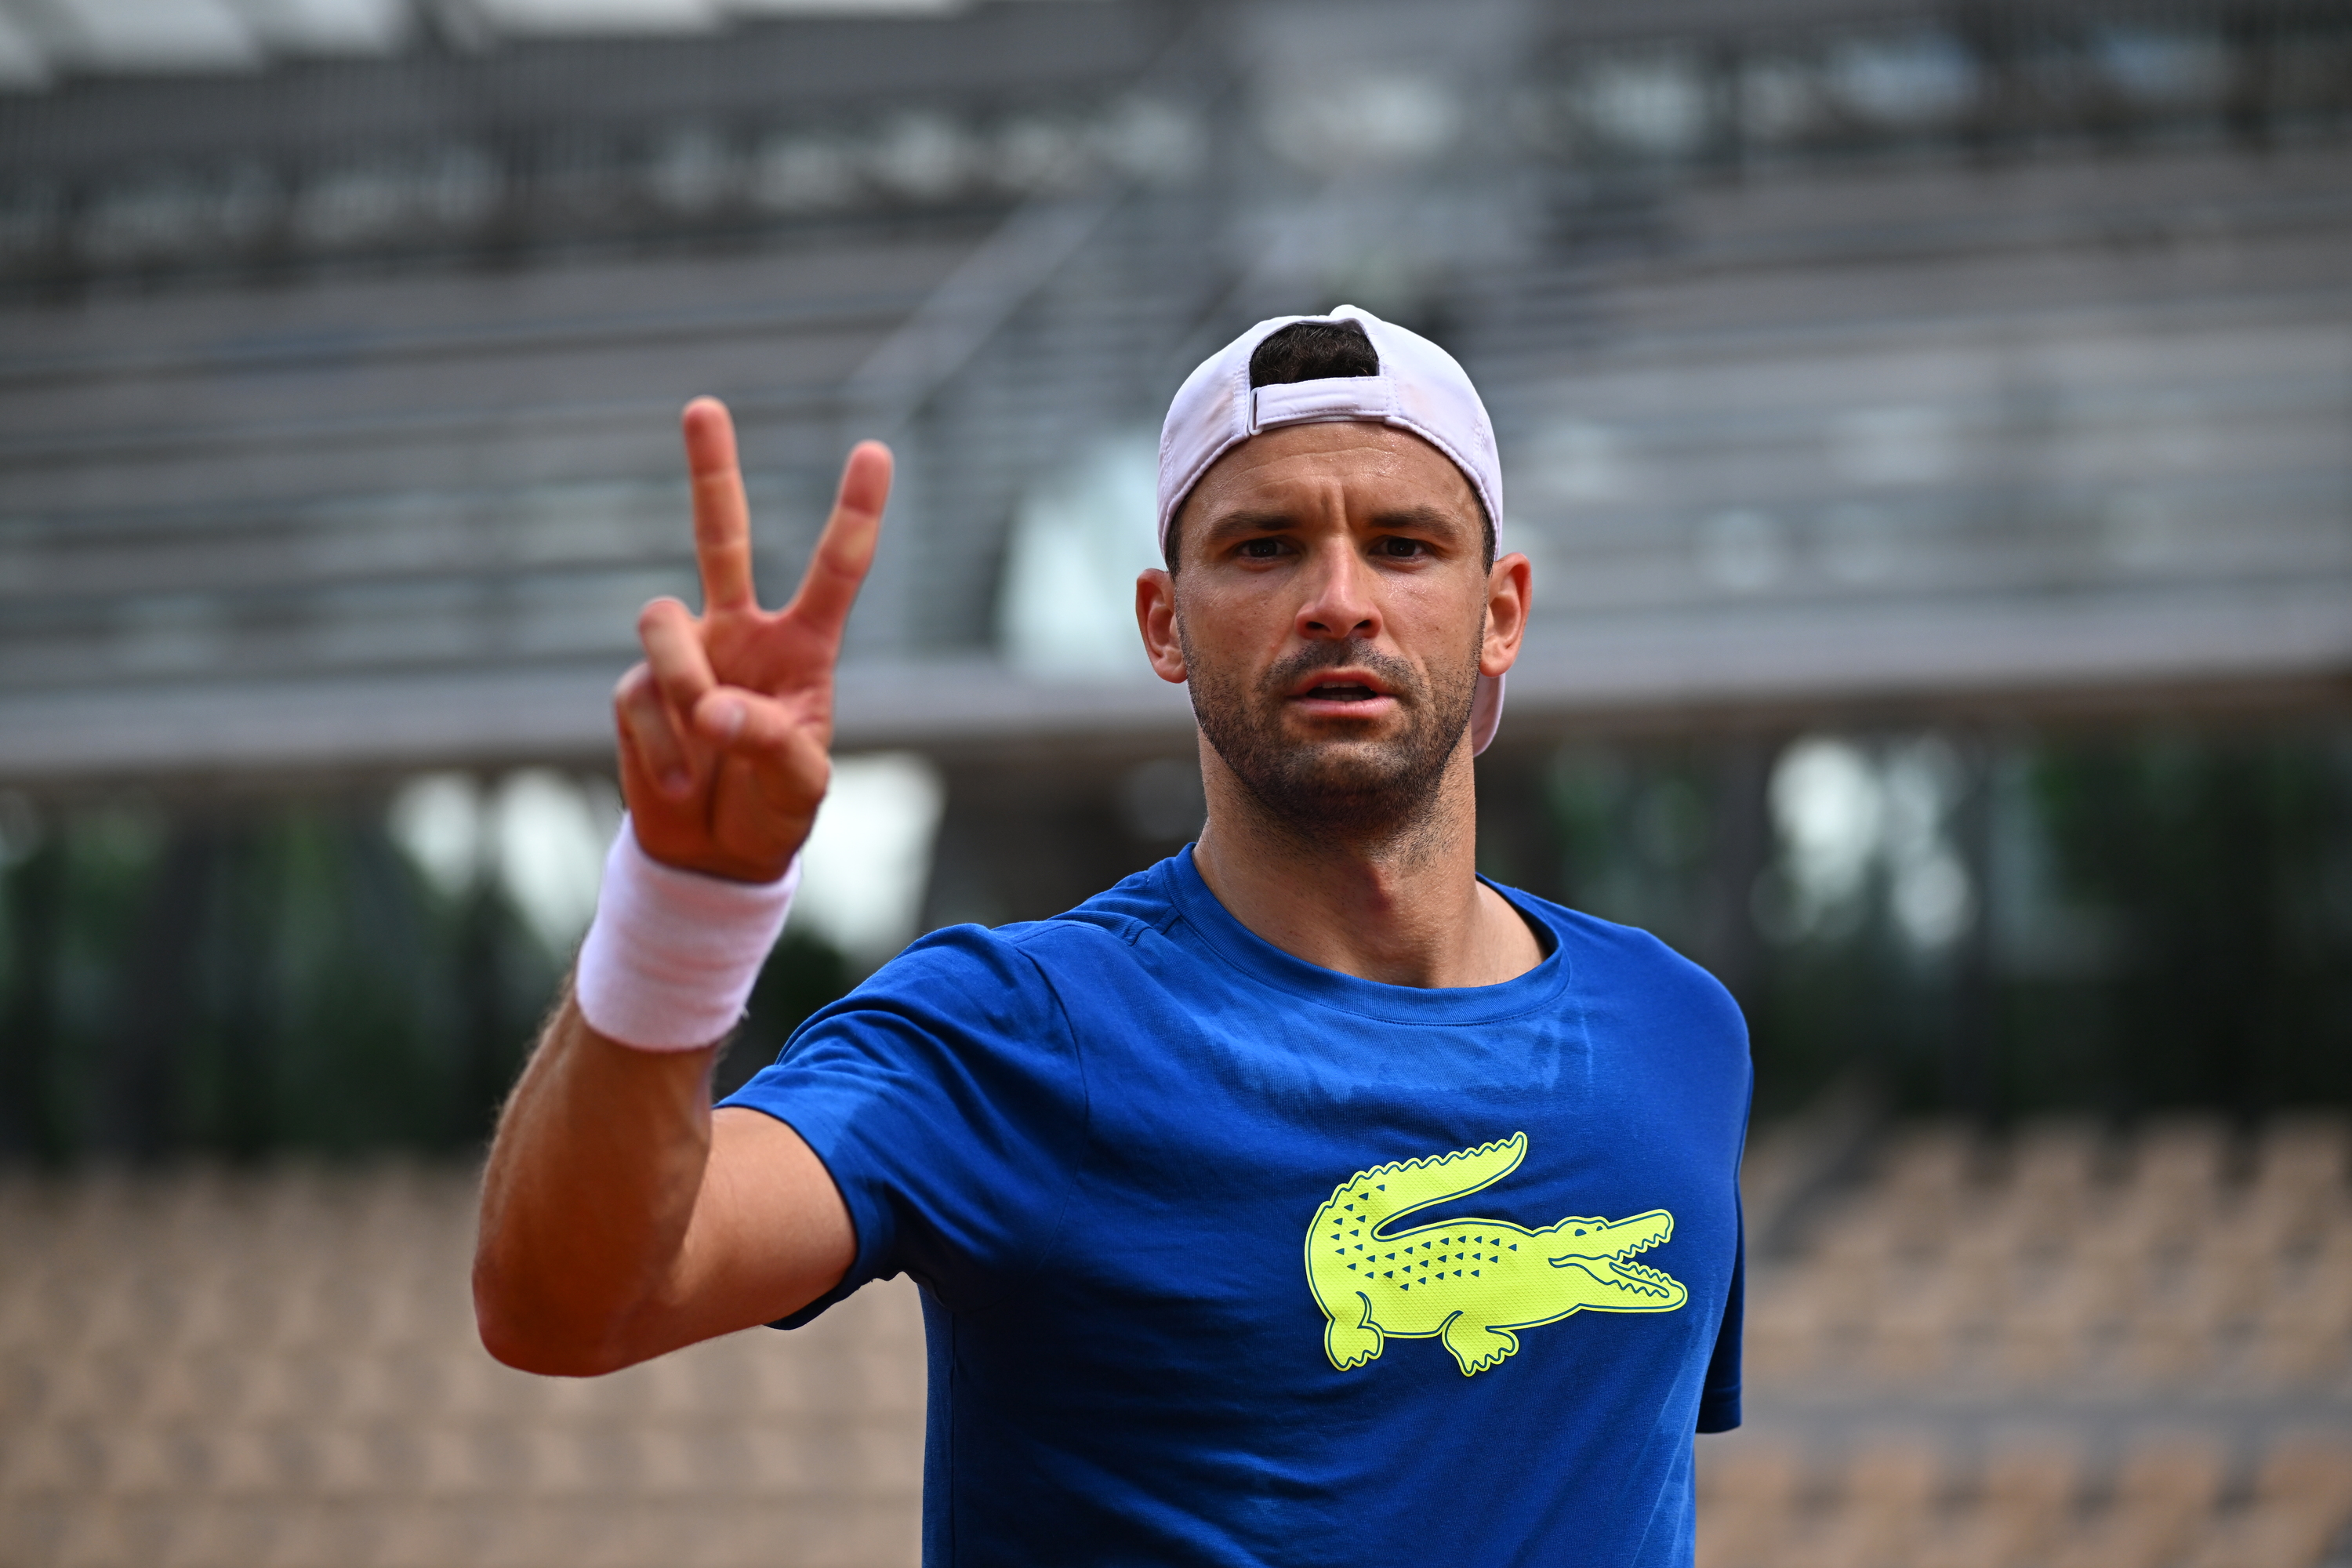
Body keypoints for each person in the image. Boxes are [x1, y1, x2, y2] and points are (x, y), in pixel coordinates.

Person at [475, 307, 1749, 1566]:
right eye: (1263, 548)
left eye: (1407, 545)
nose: (1340, 601)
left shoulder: (1678, 1034)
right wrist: (684, 902)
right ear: (1161, 623)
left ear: (1501, 611)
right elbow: (568, 1306)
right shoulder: (1016, 1031)